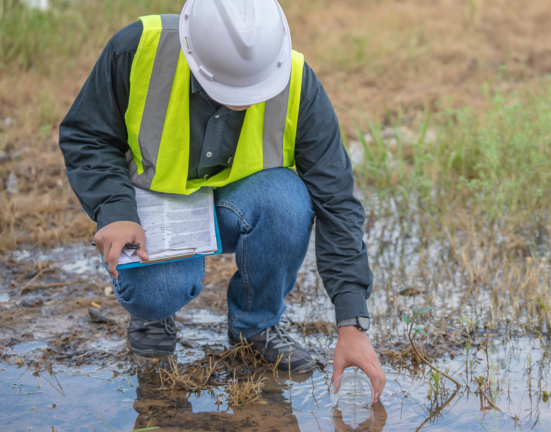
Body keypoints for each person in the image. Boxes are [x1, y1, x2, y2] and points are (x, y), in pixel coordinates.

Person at [58, 0, 385, 402]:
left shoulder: (298, 81)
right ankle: (155, 317)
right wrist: (114, 210)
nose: (243, 100)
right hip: (154, 209)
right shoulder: (137, 49)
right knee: (157, 291)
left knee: (289, 200)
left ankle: (256, 325)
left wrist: (351, 325)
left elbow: (336, 199)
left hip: (240, 202)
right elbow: (87, 135)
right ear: (192, 52)